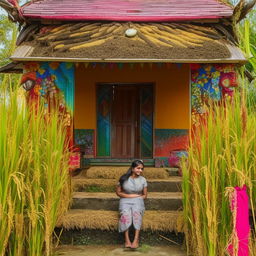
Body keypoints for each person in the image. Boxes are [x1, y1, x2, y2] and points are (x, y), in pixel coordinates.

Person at [116, 159, 148, 249]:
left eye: (142, 169)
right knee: (126, 215)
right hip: (125, 200)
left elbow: (145, 195)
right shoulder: (123, 178)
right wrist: (132, 196)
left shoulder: (143, 180)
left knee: (137, 214)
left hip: (138, 200)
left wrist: (137, 198)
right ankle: (127, 240)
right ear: (133, 168)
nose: (140, 171)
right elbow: (118, 193)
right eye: (138, 168)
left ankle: (136, 240)